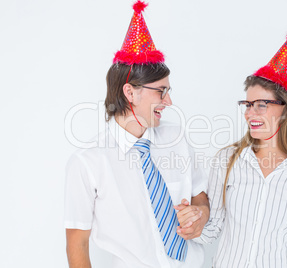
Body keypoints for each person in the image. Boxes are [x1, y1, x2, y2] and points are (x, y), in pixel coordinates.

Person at [64, 1, 209, 267]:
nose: (169, 102)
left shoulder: (177, 139)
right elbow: (77, 243)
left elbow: (200, 195)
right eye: (161, 91)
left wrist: (200, 214)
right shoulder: (88, 162)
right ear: (130, 92)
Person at [196, 33, 287, 267]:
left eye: (261, 105)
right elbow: (212, 229)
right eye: (248, 105)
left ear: (285, 110)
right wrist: (188, 220)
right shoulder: (227, 159)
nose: (250, 113)